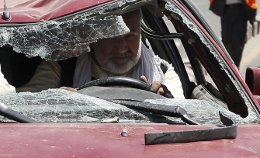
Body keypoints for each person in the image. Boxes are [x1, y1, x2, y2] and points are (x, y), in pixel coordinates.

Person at [18, 9, 166, 94]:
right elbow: (22, 104)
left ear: (140, 34)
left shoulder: (161, 72)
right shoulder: (63, 67)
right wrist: (57, 101)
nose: (121, 48)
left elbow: (177, 112)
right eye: (111, 36)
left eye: (130, 36)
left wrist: (161, 102)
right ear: (93, 37)